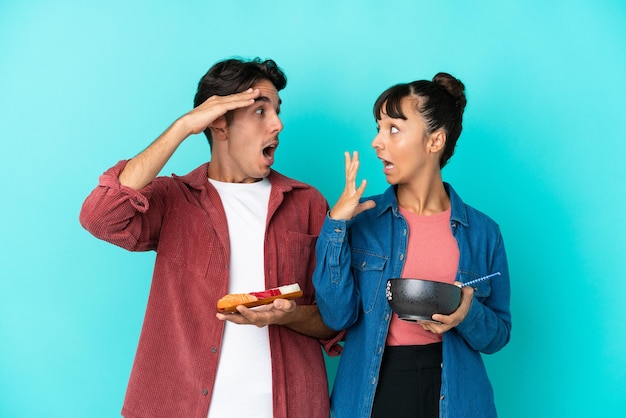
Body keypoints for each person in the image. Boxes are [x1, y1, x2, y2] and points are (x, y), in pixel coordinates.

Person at [79, 57, 338, 418]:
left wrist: (287, 315)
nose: (278, 124)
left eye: (277, 111)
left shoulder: (307, 203)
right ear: (219, 122)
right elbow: (100, 216)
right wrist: (182, 127)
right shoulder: (174, 199)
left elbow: (334, 319)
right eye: (260, 112)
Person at [312, 73, 511, 417]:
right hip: (375, 390)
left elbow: (497, 335)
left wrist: (467, 313)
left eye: (393, 129)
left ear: (434, 142)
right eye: (378, 128)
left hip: (455, 393)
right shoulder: (361, 221)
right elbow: (336, 316)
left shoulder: (484, 232)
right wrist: (336, 226)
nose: (376, 142)